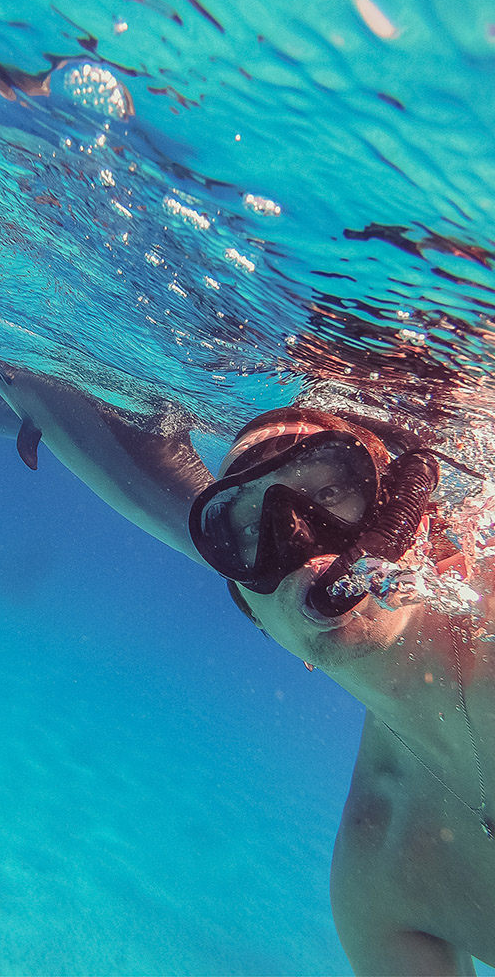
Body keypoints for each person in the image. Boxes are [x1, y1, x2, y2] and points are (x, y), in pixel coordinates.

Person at [188, 405, 495, 976]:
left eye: (331, 493)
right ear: (255, 615)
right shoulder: (379, 876)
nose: (300, 542)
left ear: (415, 521)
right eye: (252, 530)